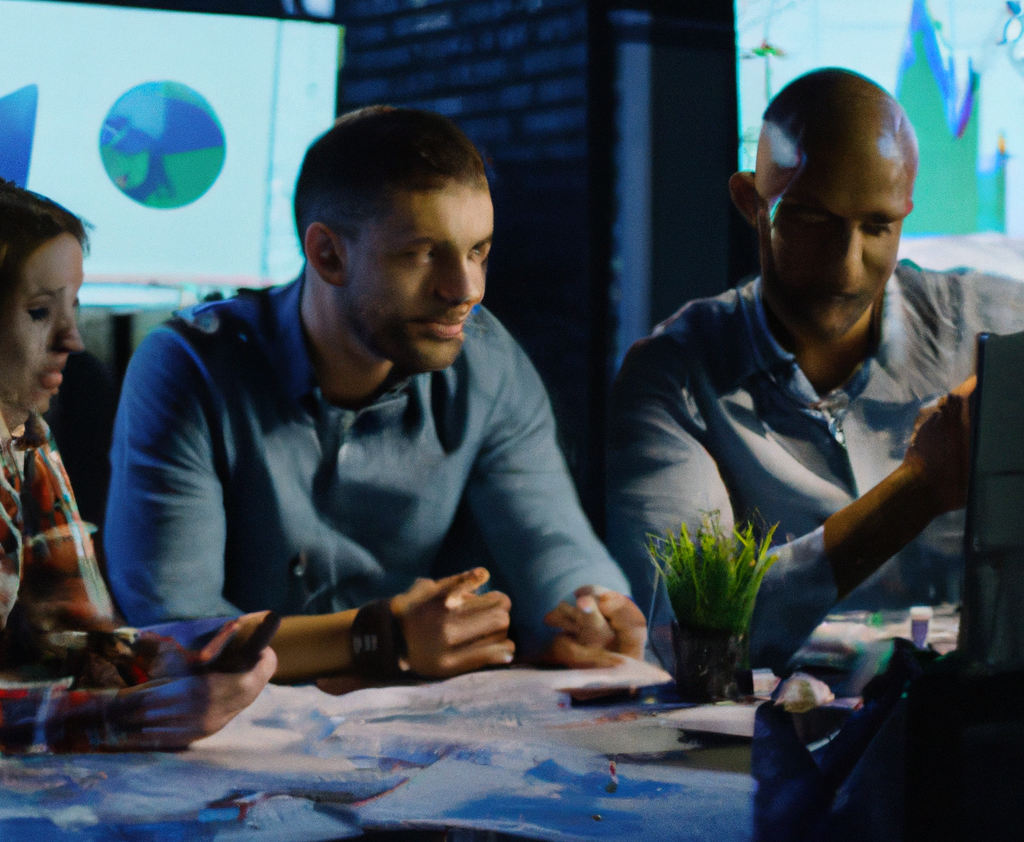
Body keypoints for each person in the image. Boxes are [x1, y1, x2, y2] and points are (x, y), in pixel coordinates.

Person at [105, 107, 646, 683]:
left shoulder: (488, 364)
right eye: (422, 254)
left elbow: (549, 540)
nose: (465, 291)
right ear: (328, 255)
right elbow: (171, 635)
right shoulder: (189, 368)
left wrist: (593, 611)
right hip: (225, 745)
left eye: (477, 251)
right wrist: (379, 637)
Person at [606, 68, 1024, 670]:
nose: (848, 269)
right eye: (811, 220)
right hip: (765, 747)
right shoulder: (671, 378)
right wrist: (916, 490)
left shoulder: (989, 325)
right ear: (751, 203)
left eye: (877, 227)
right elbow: (695, 641)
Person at [0, 181, 275, 751]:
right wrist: (129, 718)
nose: (72, 340)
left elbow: (53, 635)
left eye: (73, 307)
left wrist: (161, 663)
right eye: (38, 312)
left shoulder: (28, 439)